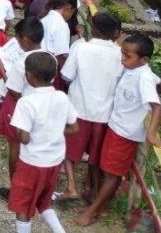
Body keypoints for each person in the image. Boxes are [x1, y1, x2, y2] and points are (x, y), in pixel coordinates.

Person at [73, 33, 161, 226]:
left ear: (144, 60)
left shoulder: (144, 77)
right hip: (116, 127)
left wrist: (151, 133)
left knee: (113, 175)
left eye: (127, 56)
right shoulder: (136, 69)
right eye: (122, 53)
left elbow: (157, 107)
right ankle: (101, 207)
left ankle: (92, 212)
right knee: (108, 171)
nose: (122, 59)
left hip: (126, 133)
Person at [9, 52, 78, 233]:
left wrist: (17, 128)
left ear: (28, 75)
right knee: (44, 202)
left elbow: (24, 139)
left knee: (22, 206)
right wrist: (53, 130)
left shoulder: (26, 102)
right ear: (54, 75)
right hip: (54, 161)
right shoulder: (62, 97)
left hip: (32, 162)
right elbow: (74, 127)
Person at [59, 13, 122, 205]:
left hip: (79, 108)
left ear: (93, 28)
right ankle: (92, 190)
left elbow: (66, 76)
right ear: (115, 33)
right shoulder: (120, 54)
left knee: (69, 150)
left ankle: (71, 186)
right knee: (95, 154)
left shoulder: (81, 47)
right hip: (104, 113)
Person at [0, 17, 46, 201]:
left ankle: (15, 188)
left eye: (17, 39)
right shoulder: (49, 58)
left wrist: (1, 69)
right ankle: (33, 187)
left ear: (24, 39)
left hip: (18, 106)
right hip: (40, 106)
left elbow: (14, 92)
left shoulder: (22, 62)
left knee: (15, 146)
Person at [39, 0, 74, 80]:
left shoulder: (44, 18)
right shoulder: (61, 25)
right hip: (49, 69)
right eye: (72, 12)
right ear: (68, 8)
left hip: (37, 62)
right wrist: (65, 77)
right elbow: (60, 55)